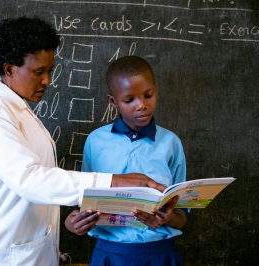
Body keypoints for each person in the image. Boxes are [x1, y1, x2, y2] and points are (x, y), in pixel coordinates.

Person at [0, 18, 166, 266]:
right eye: (38, 72)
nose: (47, 80)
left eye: (50, 71)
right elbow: (29, 180)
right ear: (9, 69)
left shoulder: (17, 110)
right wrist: (114, 181)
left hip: (21, 254)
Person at [65, 56, 189, 265]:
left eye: (148, 95)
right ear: (113, 101)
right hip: (109, 254)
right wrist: (73, 223)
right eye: (129, 100)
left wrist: (166, 218)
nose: (141, 105)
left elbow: (182, 216)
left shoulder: (171, 143)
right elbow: (83, 201)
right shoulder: (95, 142)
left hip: (160, 254)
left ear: (155, 90)